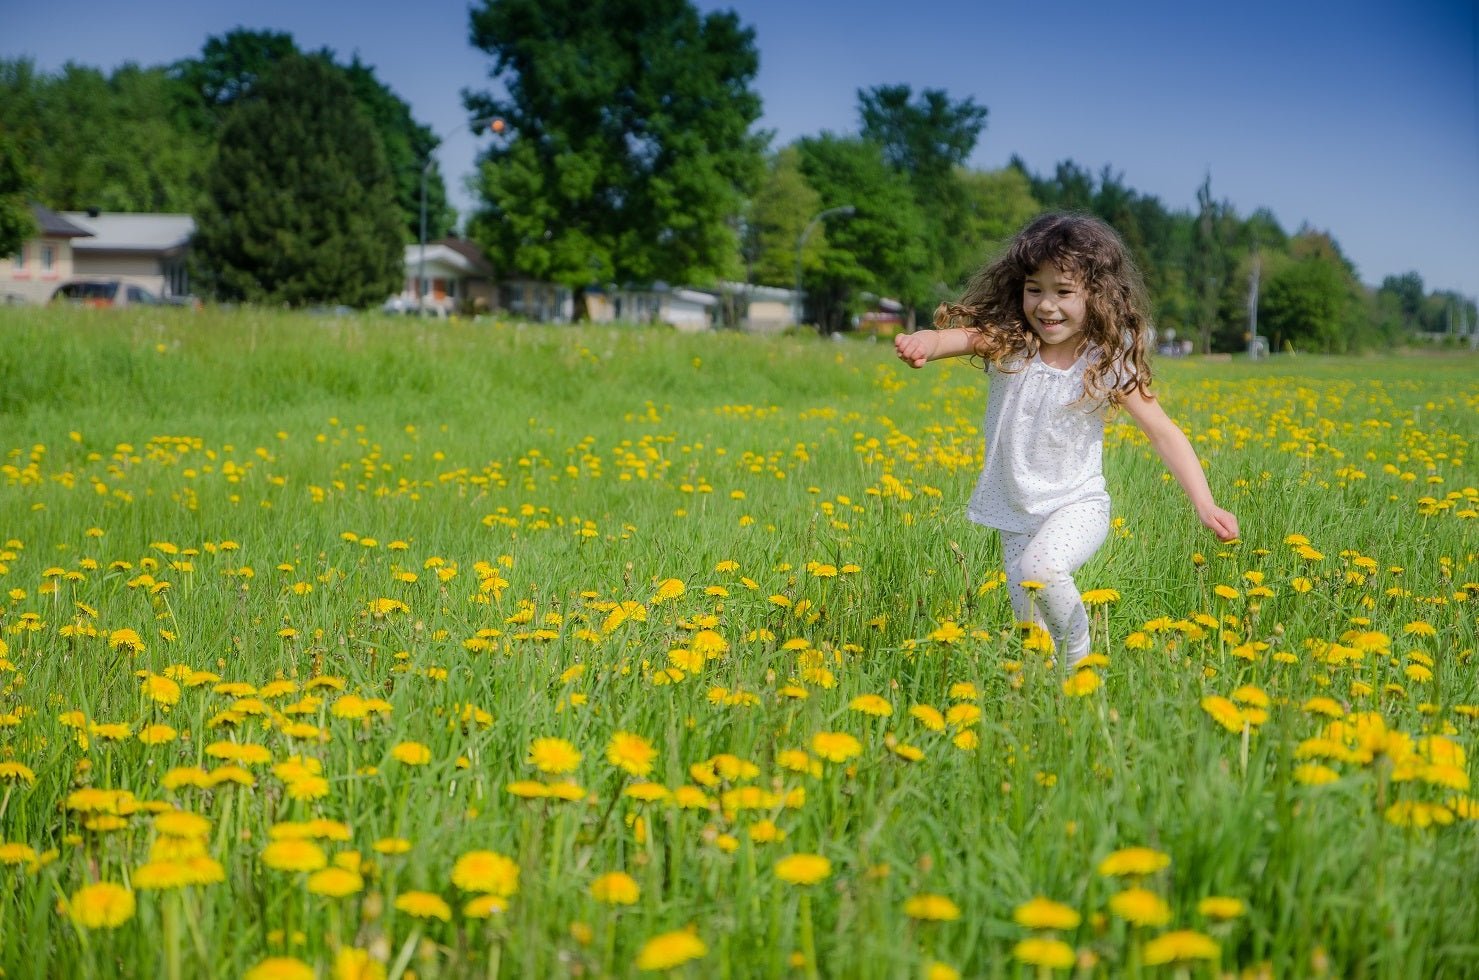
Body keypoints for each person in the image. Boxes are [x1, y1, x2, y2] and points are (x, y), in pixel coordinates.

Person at [895, 212, 1239, 670]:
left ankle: (1080, 655)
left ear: (1096, 295)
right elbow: (959, 337)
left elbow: (1162, 431)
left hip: (1076, 505)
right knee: (1032, 636)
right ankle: (1054, 709)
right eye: (1034, 289)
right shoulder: (1011, 341)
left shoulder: (1106, 361)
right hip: (1015, 511)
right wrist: (925, 342)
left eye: (1064, 292)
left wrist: (1205, 502)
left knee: (1042, 571)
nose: (1046, 306)